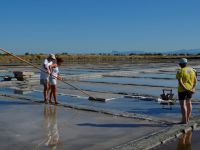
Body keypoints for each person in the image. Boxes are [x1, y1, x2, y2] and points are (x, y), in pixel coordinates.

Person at [176, 58, 197, 124]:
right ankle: (187, 118)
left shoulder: (180, 71)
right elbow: (195, 81)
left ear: (180, 64)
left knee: (183, 105)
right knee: (189, 103)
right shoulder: (192, 70)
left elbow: (180, 82)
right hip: (190, 89)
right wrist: (193, 88)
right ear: (186, 63)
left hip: (182, 90)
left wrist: (185, 88)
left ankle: (184, 121)